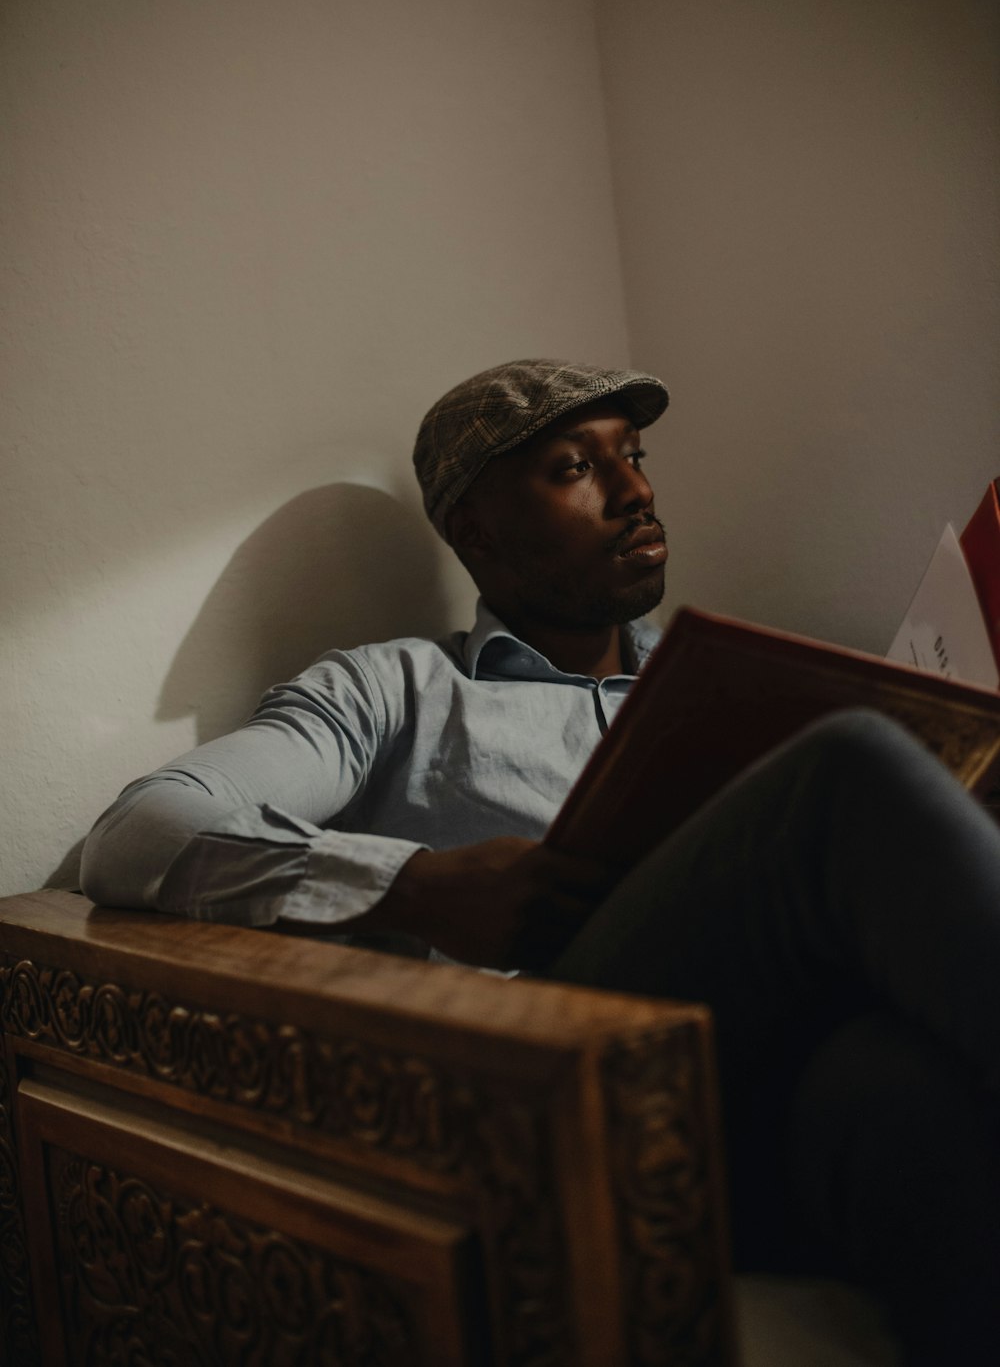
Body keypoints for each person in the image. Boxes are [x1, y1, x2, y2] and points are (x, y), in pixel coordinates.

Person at [82, 358, 1000, 1365]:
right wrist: (419, 887)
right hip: (561, 1068)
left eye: (635, 459)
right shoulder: (399, 686)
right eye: (575, 466)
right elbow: (142, 828)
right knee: (849, 765)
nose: (637, 492)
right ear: (473, 531)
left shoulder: (735, 678)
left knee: (905, 1096)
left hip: (760, 1094)